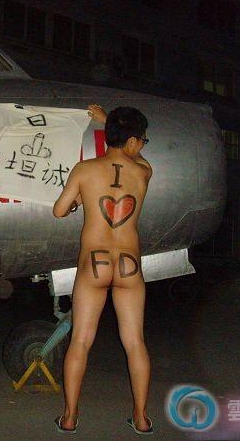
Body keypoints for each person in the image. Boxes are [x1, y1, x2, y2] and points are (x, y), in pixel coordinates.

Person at [53, 104, 153, 435]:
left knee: (80, 341)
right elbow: (139, 157)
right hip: (129, 265)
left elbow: (59, 210)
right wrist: (108, 120)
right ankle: (141, 418)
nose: (143, 145)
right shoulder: (143, 172)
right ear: (134, 141)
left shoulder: (85, 169)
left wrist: (78, 202)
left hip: (93, 264)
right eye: (142, 139)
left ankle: (69, 417)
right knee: (135, 342)